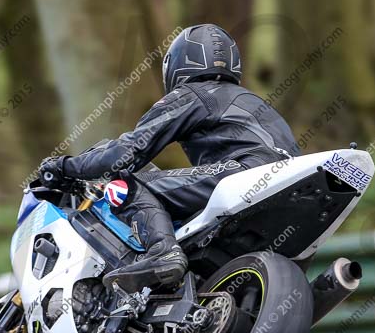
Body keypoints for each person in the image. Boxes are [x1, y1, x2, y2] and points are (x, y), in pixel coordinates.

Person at [39, 24, 299, 293]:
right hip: (289, 188)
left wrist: (64, 167)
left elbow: (125, 154)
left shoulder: (193, 94)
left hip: (246, 173)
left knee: (123, 184)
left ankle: (162, 252)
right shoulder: (254, 101)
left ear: (179, 63)